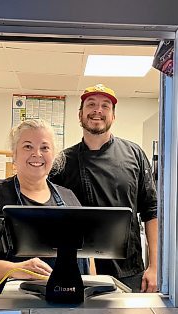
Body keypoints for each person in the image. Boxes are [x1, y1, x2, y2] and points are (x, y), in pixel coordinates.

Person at [49, 84, 158, 293]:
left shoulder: (134, 154)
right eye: (91, 104)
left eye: (105, 106)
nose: (97, 110)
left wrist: (154, 266)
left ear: (113, 116)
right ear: (80, 115)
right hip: (78, 270)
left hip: (130, 271)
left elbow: (151, 211)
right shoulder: (63, 161)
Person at [0, 119, 89, 292]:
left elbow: (87, 259)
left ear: (54, 155)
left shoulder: (69, 198)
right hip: (8, 308)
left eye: (45, 148)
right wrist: (16, 269)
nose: (37, 154)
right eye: (28, 146)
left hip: (66, 306)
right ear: (14, 154)